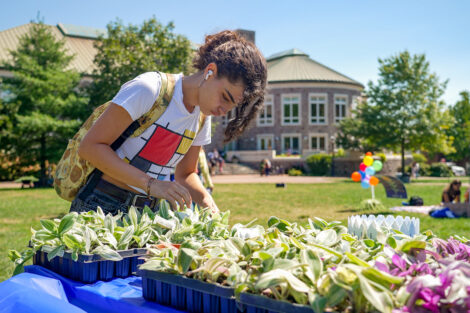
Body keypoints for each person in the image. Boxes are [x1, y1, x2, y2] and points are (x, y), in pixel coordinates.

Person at [69, 30, 267, 215]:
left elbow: (186, 173)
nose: (224, 110)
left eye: (232, 106)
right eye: (225, 97)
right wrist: (153, 184)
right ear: (210, 71)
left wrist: (206, 200)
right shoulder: (150, 89)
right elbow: (91, 147)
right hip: (101, 204)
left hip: (150, 213)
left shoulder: (202, 117)